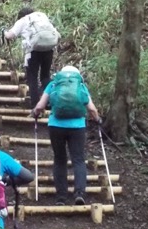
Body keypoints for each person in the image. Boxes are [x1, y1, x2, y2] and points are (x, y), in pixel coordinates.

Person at [32, 66, 101, 206]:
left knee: (59, 160)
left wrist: (35, 113)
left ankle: (61, 197)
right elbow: (92, 109)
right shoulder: (81, 86)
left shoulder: (53, 84)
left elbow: (40, 106)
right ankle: (79, 193)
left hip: (56, 126)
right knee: (79, 160)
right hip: (78, 127)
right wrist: (98, 119)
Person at [3, 7, 60, 108]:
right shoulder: (42, 16)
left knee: (32, 78)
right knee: (45, 76)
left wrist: (4, 32)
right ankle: (49, 102)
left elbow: (10, 36)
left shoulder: (23, 20)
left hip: (33, 52)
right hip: (49, 48)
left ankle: (35, 105)